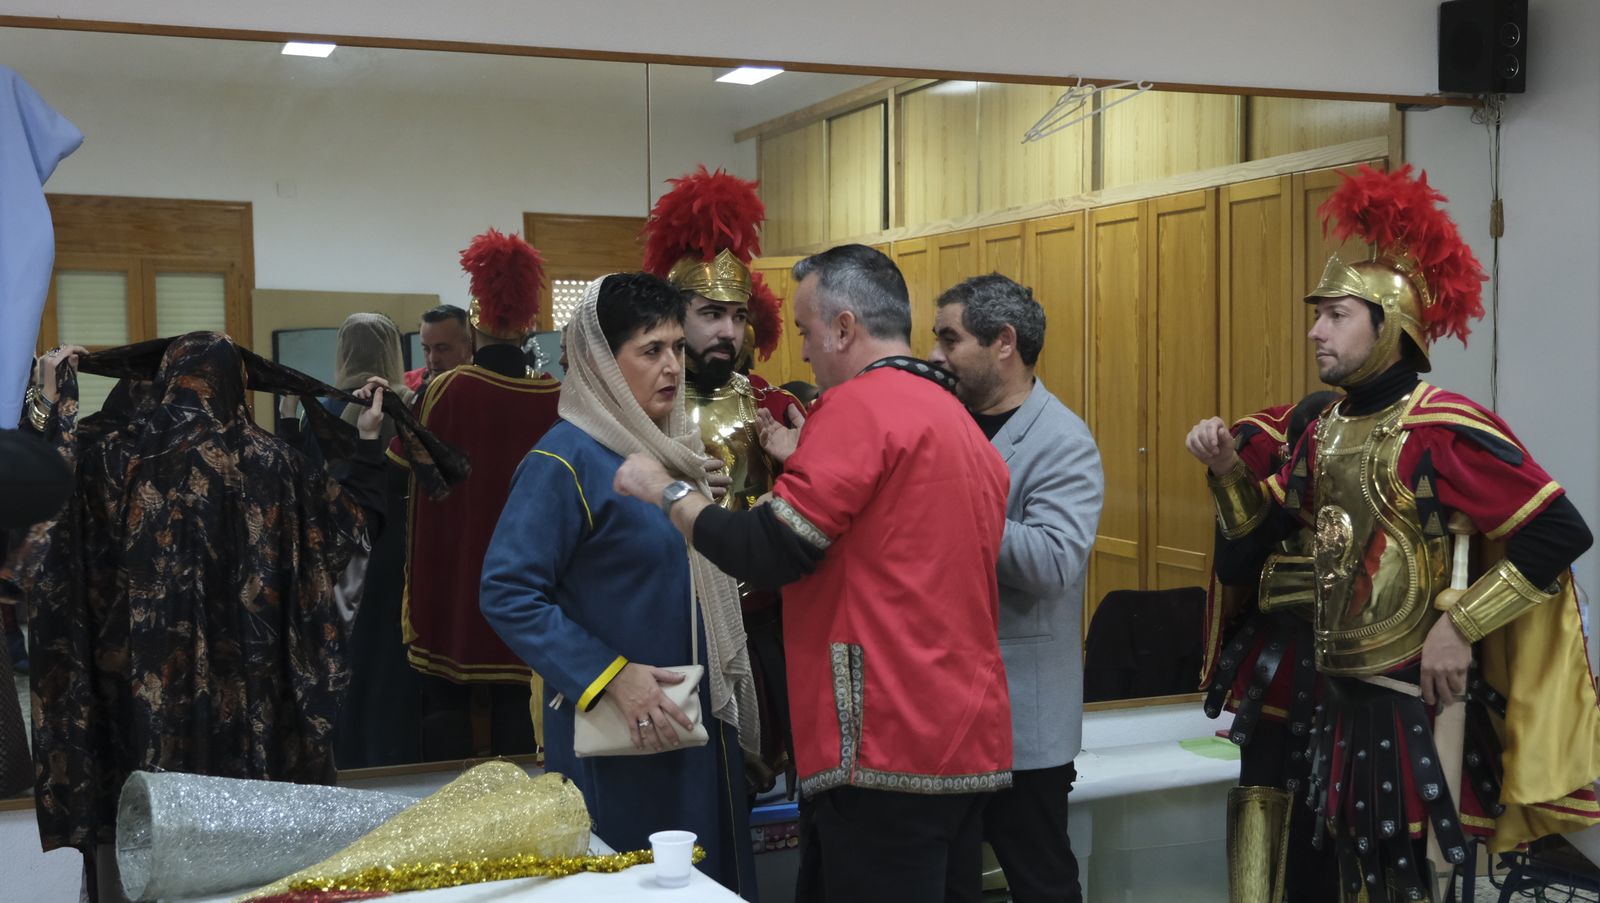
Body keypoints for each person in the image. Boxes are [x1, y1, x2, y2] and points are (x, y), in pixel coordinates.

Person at [1185, 165, 1600, 901]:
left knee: (1395, 882)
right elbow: (1262, 544)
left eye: (1337, 314)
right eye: (1318, 314)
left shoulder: (1442, 427)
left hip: (1407, 706)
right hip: (1336, 697)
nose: (1316, 329)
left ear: (1392, 325)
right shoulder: (1326, 427)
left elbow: (1559, 530)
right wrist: (1227, 473)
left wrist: (1461, 623)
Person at [613, 244, 1013, 903]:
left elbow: (771, 549)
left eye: (804, 331)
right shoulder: (957, 419)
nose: (802, 352)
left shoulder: (859, 408)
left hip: (883, 742)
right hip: (966, 737)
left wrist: (668, 491)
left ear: (846, 327)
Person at [15, 332, 463, 900]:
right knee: (244, 857)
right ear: (236, 387)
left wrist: (47, 406)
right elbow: (352, 531)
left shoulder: (111, 460)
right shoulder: (276, 466)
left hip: (133, 711)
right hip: (251, 723)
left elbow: (36, 513)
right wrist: (369, 443)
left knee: (141, 834)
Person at [480, 272, 758, 897]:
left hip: (692, 727)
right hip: (619, 732)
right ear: (602, 362)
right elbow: (507, 591)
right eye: (650, 351)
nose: (671, 367)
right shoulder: (564, 460)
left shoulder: (673, 453)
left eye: (676, 349)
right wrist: (610, 675)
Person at [927, 273, 1103, 903]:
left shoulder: (1062, 441)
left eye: (950, 339)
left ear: (1004, 343)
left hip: (1021, 725)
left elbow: (1054, 562)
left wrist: (957, 501)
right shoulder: (943, 421)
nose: (935, 355)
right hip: (943, 710)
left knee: (1041, 882)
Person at [642, 165, 806, 791]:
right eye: (710, 314)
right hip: (676, 623)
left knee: (761, 775)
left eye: (737, 316)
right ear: (675, 314)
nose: (727, 332)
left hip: (761, 625)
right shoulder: (644, 403)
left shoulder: (769, 403)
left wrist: (794, 465)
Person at [388, 229, 561, 760]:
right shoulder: (558, 395)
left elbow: (406, 471)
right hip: (534, 585)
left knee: (450, 716)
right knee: (518, 707)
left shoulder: (446, 391)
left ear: (474, 329)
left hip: (458, 584)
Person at [1200, 391, 1340, 903]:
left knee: (1343, 839)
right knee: (1262, 825)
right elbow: (1235, 568)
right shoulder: (1260, 450)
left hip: (1364, 681)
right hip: (1275, 671)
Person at [281, 313, 423, 769]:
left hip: (346, 559)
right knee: (396, 661)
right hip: (407, 554)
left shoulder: (326, 409)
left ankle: (354, 754)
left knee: (351, 657)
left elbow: (303, 481)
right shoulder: (416, 405)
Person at [403, 304, 473, 394]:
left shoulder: (485, 390)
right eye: (426, 349)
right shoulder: (407, 386)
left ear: (468, 348)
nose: (432, 359)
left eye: (442, 349)